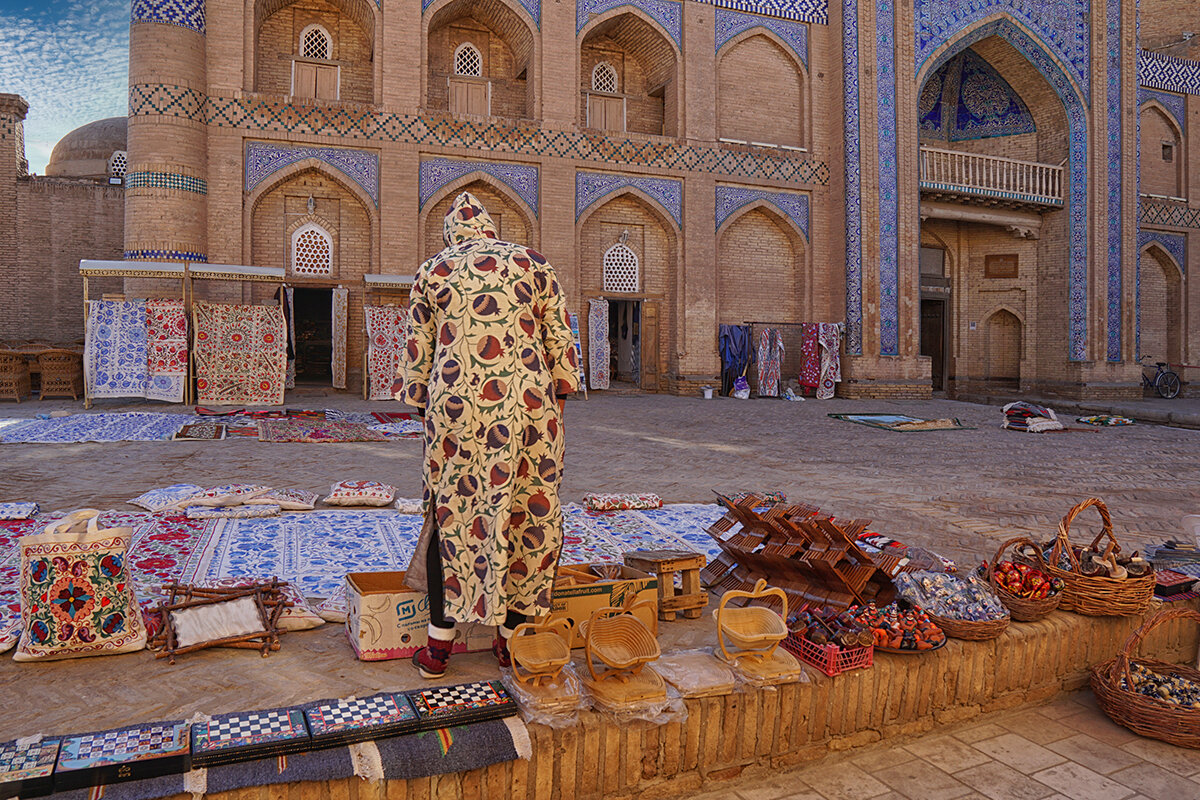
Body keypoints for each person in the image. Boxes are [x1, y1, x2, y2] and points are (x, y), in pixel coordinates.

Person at [395, 192, 581, 678]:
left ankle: (438, 649)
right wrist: (555, 403)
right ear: (491, 230)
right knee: (527, 510)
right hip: (529, 404)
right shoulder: (533, 263)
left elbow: (418, 353)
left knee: (451, 514)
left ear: (450, 235)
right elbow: (561, 339)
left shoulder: (432, 271)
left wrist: (428, 409)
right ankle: (510, 642)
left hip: (455, 406)